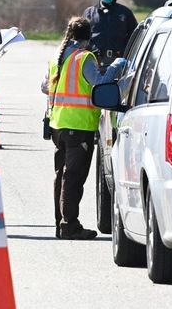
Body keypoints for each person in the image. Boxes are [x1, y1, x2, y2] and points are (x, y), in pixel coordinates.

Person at [41, 17, 126, 240]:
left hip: (58, 124)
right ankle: (70, 225)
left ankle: (60, 223)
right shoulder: (83, 57)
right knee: (73, 177)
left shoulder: (57, 57)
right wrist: (116, 67)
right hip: (78, 126)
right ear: (88, 38)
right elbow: (100, 83)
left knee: (62, 175)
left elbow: (44, 86)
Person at [83, 0, 137, 67]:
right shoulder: (89, 13)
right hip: (95, 63)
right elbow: (82, 39)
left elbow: (135, 38)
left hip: (120, 63)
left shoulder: (125, 13)